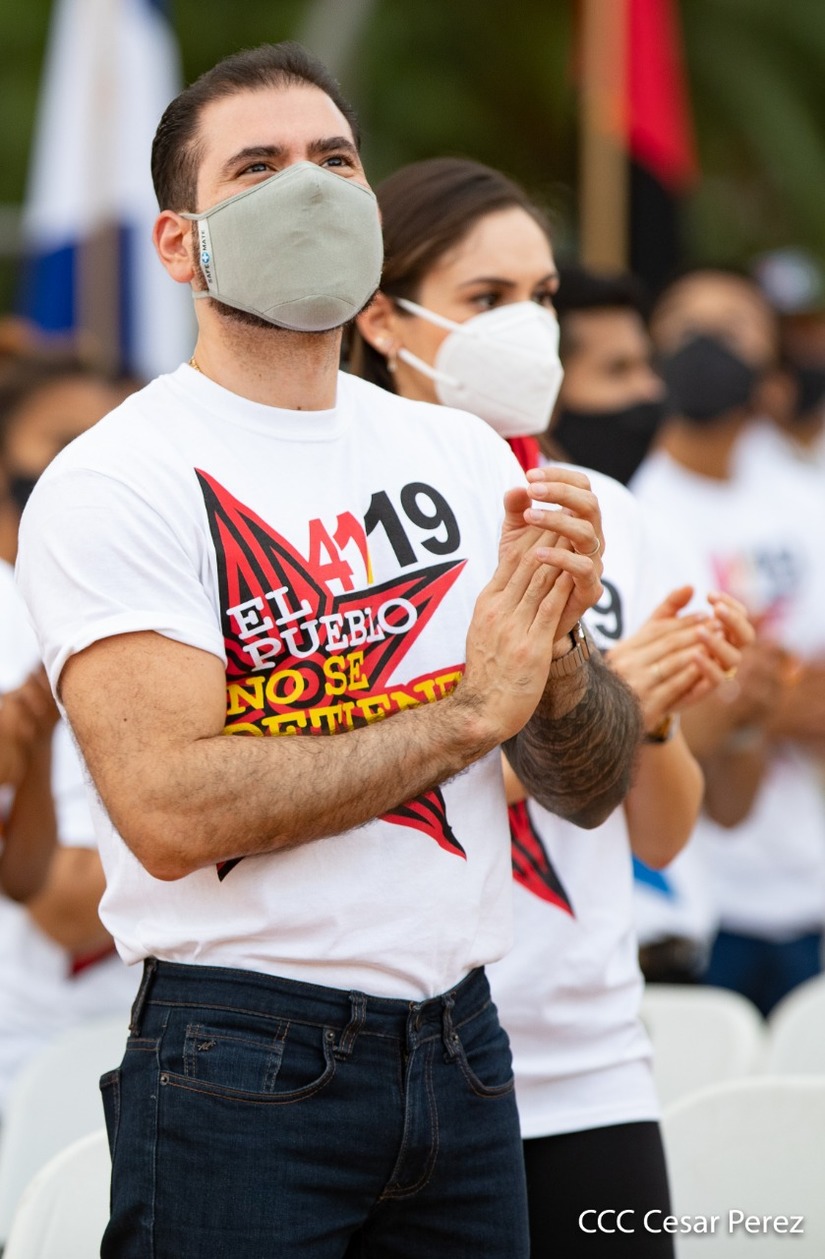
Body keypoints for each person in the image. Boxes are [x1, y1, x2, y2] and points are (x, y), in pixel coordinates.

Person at [16, 44, 643, 1259]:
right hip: (237, 1059)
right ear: (179, 243)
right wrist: (468, 713)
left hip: (465, 1043)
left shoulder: (466, 454)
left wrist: (561, 656)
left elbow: (587, 787)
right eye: (258, 167)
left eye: (337, 159)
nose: (310, 187)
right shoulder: (118, 478)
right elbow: (170, 809)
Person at [351, 164, 751, 1257]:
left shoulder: (611, 514)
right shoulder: (345, 531)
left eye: (541, 297)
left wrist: (649, 717)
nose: (525, 328)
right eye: (485, 298)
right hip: (401, 1067)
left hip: (590, 1063)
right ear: (382, 318)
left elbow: (661, 834)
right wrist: (593, 704)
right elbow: (363, 784)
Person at [633, 267, 825, 1016]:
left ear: (771, 367)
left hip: (805, 884)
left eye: (732, 327)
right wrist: (764, 692)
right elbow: (653, 707)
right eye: (686, 326)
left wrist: (730, 694)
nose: (707, 345)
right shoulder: (632, 508)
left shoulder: (804, 500)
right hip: (689, 901)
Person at [0, 352, 137, 1116]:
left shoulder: (122, 601)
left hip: (135, 1052)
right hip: (35, 1065)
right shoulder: (10, 615)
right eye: (61, 441)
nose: (89, 463)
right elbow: (65, 902)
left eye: (110, 438)